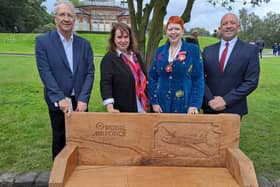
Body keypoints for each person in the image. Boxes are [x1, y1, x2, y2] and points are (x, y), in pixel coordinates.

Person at [35, 0, 94, 159]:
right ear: (55, 18)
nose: (66, 19)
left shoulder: (84, 44)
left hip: (80, 102)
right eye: (62, 14)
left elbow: (90, 72)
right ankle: (59, 176)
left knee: (81, 139)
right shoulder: (43, 42)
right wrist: (60, 98)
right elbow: (45, 72)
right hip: (58, 101)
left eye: (70, 15)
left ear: (74, 19)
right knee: (60, 138)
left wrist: (84, 99)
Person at [202, 13, 260, 117]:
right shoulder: (207, 50)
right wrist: (210, 99)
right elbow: (200, 78)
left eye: (232, 23)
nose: (228, 26)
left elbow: (251, 81)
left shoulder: (250, 50)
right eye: (225, 24)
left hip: (234, 108)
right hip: (210, 107)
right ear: (220, 29)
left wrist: (226, 100)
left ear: (238, 28)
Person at [148, 16, 204, 114]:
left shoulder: (192, 50)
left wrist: (194, 104)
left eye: (177, 29)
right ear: (166, 32)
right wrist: (154, 102)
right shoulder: (160, 51)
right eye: (170, 29)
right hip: (161, 106)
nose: (173, 32)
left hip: (185, 106)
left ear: (182, 31)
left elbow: (198, 79)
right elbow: (152, 77)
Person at [100, 23, 148, 113]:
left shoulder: (136, 56)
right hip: (125, 110)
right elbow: (105, 84)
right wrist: (110, 107)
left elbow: (145, 77)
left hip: (144, 107)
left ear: (130, 38)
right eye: (119, 37)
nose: (123, 40)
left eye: (126, 37)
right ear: (113, 39)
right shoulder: (109, 59)